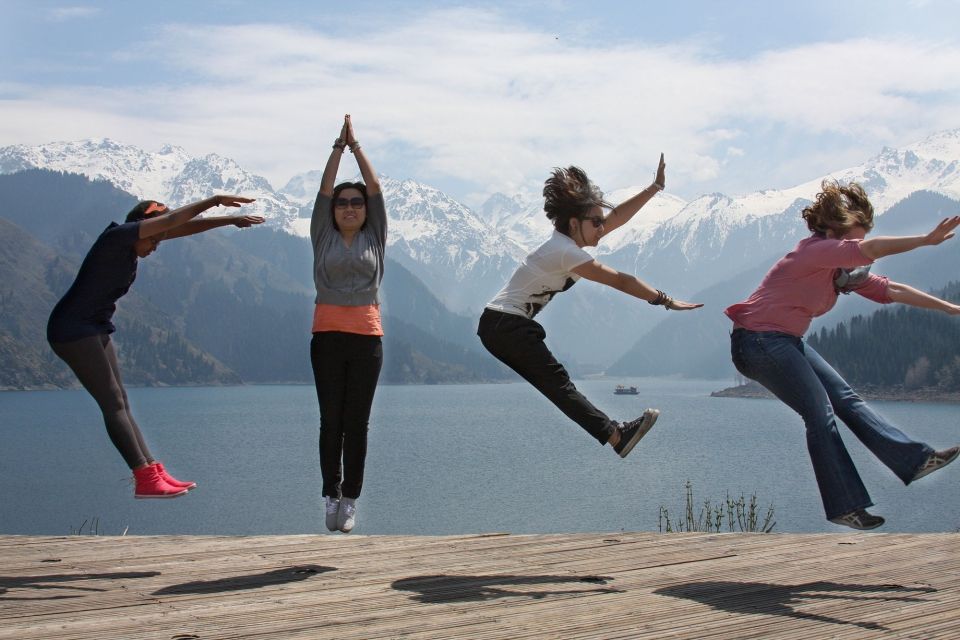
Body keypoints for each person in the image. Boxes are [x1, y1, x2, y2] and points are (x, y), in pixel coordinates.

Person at [726, 180, 960, 530]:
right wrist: (924, 240)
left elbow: (890, 288)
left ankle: (915, 460)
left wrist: (949, 308)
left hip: (783, 341)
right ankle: (845, 504)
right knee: (819, 414)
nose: (856, 245)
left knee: (846, 400)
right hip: (758, 342)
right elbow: (871, 250)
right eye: (853, 237)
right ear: (835, 230)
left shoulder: (839, 272)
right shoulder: (815, 251)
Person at [478, 156, 702, 458]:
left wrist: (655, 188)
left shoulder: (567, 245)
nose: (602, 228)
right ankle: (616, 436)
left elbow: (616, 217)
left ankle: (616, 436)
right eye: (595, 222)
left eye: (600, 222)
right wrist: (664, 300)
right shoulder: (565, 252)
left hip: (501, 326)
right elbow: (621, 281)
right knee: (558, 385)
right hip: (505, 325)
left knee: (556, 386)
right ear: (574, 223)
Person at [47, 195, 261, 498]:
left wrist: (230, 220)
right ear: (145, 221)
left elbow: (181, 228)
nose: (155, 246)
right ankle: (145, 478)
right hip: (71, 329)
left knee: (120, 400)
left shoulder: (131, 241)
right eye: (154, 239)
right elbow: (172, 223)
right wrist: (214, 201)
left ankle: (153, 469)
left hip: (94, 328)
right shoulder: (118, 236)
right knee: (112, 404)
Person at [310, 114, 386, 534]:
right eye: (344, 203)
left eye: (357, 203)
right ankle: (330, 494)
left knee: (358, 423)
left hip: (367, 340)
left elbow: (376, 189)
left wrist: (359, 147)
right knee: (331, 421)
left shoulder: (376, 234)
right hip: (326, 338)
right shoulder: (321, 233)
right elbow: (324, 192)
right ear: (333, 211)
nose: (351, 207)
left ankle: (351, 499)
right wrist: (338, 149)